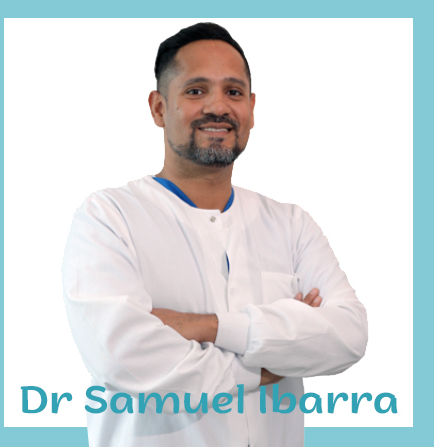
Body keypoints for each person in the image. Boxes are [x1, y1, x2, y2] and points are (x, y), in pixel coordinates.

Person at [62, 22, 368, 447]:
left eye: (234, 92)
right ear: (158, 108)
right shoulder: (109, 217)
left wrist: (205, 326)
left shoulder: (291, 224)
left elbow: (349, 336)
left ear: (252, 109)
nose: (218, 107)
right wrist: (271, 355)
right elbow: (121, 356)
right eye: (196, 90)